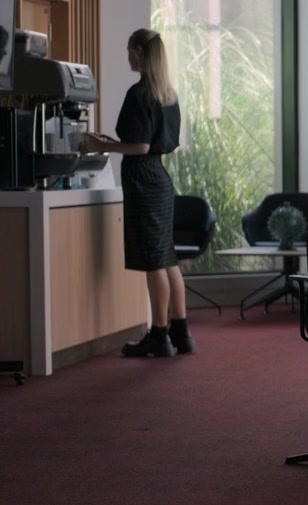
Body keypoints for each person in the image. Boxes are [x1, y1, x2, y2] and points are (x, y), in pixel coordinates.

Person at [80, 29, 191, 358]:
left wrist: (99, 146)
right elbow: (152, 144)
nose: (127, 56)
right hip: (160, 177)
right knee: (167, 257)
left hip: (143, 179)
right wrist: (111, 144)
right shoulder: (167, 94)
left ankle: (159, 334)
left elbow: (140, 146)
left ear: (140, 52)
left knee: (154, 261)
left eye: (129, 50)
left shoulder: (139, 93)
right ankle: (181, 332)